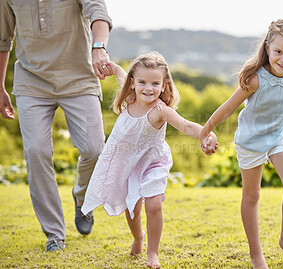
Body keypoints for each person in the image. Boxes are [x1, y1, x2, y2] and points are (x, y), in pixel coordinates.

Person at [81, 51, 217, 268]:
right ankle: (138, 237)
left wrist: (207, 133)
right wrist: (115, 68)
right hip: (128, 162)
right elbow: (121, 76)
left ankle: (152, 253)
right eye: (142, 82)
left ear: (164, 86)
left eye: (155, 83)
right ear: (133, 83)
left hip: (153, 162)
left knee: (153, 204)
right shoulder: (130, 98)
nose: (148, 88)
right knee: (132, 207)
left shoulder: (161, 110)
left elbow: (187, 126)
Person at [0, 0, 113, 252]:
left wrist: (98, 47)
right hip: (32, 82)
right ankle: (54, 234)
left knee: (94, 149)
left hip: (79, 78)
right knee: (36, 152)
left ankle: (82, 197)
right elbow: (3, 39)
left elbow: (98, 11)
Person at [200, 19, 283, 268]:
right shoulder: (254, 79)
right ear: (268, 47)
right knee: (252, 196)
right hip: (251, 139)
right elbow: (228, 107)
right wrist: (205, 131)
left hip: (280, 134)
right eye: (279, 52)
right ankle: (256, 254)